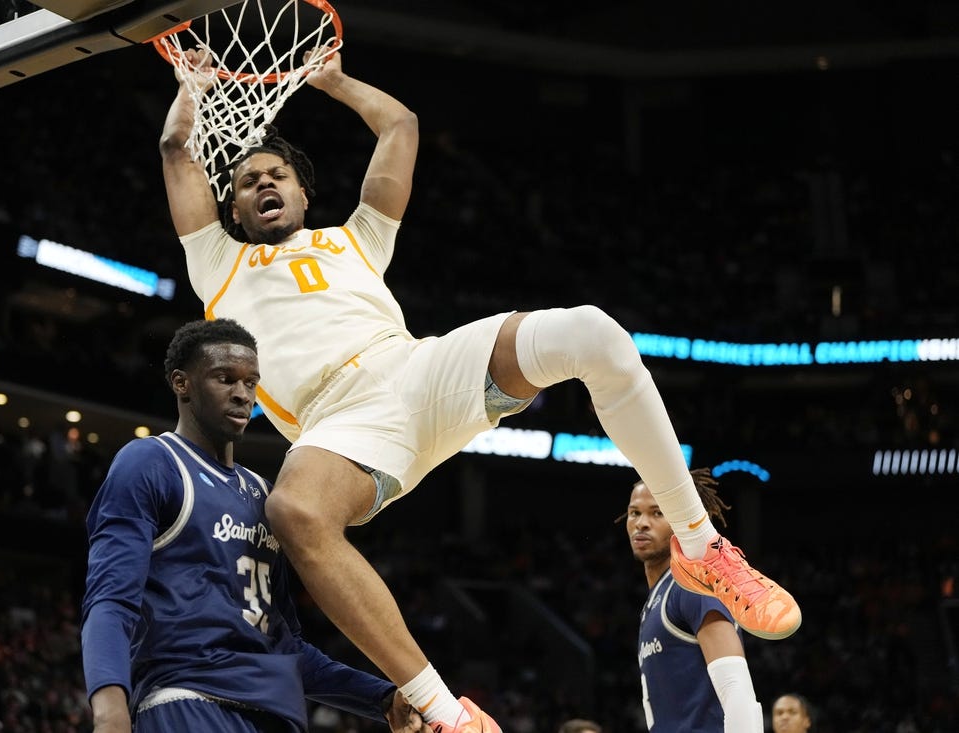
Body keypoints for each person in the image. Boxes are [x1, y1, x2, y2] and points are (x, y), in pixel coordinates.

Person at [160, 48, 800, 733]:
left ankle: (703, 549)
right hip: (340, 421)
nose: (263, 183)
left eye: (276, 173)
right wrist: (191, 84)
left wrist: (334, 81)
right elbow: (175, 147)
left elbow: (400, 126)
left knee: (592, 332)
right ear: (231, 205)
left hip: (417, 369)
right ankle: (446, 714)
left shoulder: (355, 239)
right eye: (249, 179)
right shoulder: (217, 262)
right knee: (293, 510)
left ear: (301, 192)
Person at [79, 318, 426, 733]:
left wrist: (381, 698)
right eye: (225, 379)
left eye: (251, 382)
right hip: (190, 701)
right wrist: (109, 711)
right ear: (181, 383)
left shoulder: (268, 496)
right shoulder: (151, 463)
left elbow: (286, 645)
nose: (242, 395)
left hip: (275, 712)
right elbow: (110, 601)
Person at [621, 468, 765, 732]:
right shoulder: (654, 600)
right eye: (635, 513)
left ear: (679, 519)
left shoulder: (693, 588)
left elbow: (738, 692)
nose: (641, 523)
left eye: (657, 513)